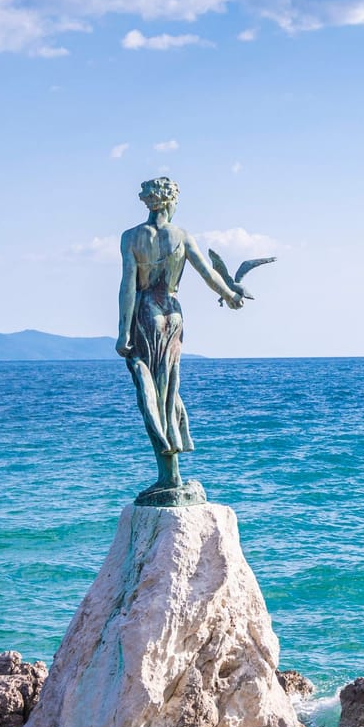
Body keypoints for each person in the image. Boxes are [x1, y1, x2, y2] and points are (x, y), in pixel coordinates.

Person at [116, 177, 243, 504]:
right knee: (169, 388)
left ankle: (168, 475)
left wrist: (123, 332)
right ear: (171, 201)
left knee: (152, 394)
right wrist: (230, 295)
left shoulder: (131, 238)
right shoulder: (181, 236)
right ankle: (172, 472)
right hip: (173, 312)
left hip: (146, 313)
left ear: (148, 202)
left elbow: (128, 286)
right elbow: (208, 274)